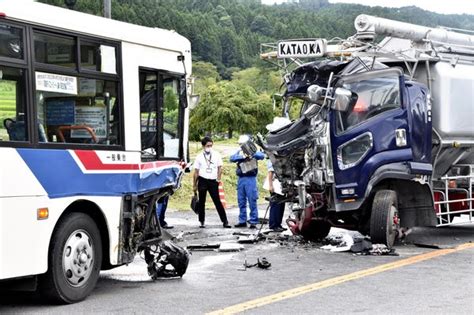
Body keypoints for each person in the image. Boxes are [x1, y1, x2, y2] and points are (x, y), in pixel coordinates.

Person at [193, 136, 231, 228]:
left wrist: (218, 178)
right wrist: (194, 185)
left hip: (213, 181)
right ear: (203, 146)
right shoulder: (199, 157)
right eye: (207, 145)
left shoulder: (216, 154)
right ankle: (201, 221)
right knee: (202, 202)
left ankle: (225, 221)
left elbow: (220, 167)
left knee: (217, 201)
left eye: (211, 145)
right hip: (202, 180)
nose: (209, 147)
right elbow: (196, 172)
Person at [230, 135, 264, 229]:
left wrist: (251, 154)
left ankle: (253, 221)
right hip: (241, 178)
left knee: (252, 200)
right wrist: (242, 156)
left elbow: (261, 156)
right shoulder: (239, 151)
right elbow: (232, 158)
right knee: (241, 201)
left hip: (251, 178)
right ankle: (242, 221)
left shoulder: (254, 150)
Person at [267, 160, 286, 232]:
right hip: (275, 186)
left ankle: (278, 224)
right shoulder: (272, 160)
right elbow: (270, 173)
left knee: (281, 205)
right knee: (275, 205)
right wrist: (270, 185)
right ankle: (273, 225)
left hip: (280, 186)